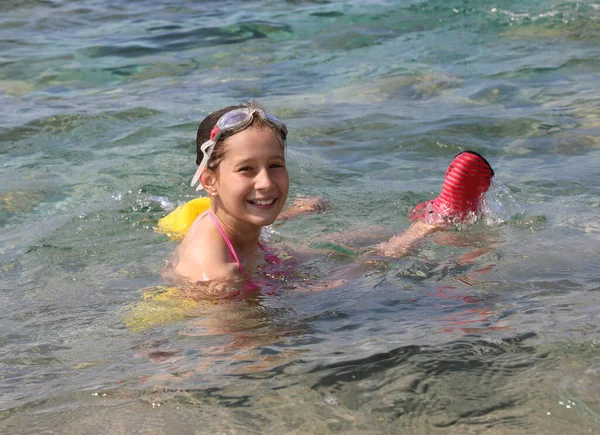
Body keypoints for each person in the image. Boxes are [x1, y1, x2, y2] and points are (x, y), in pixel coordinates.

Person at [167, 101, 323, 290]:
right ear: (209, 182)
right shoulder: (216, 280)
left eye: (275, 165)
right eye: (246, 169)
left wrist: (295, 212)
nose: (266, 182)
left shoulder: (237, 222)